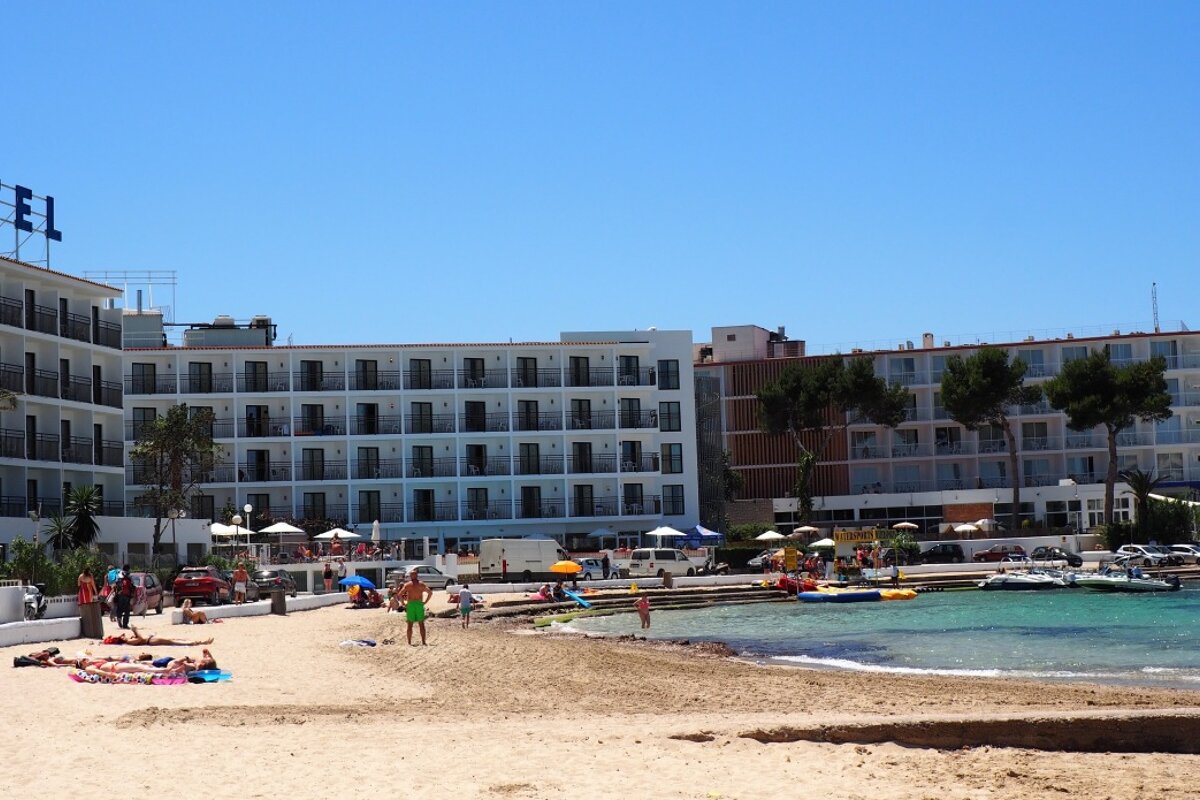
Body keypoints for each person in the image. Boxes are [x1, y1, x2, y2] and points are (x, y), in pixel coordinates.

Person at [398, 569, 433, 646]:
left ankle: (409, 642)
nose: (411, 576)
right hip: (419, 604)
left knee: (410, 624)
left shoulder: (408, 585)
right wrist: (425, 602)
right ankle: (423, 642)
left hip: (410, 604)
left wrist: (403, 603)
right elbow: (430, 593)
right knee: (421, 623)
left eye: (411, 575)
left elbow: (399, 594)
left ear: (412, 576)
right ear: (416, 575)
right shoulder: (421, 584)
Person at [102, 625, 214, 646]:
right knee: (173, 642)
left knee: (174, 639)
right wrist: (135, 631)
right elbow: (140, 639)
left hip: (151, 639)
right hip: (150, 641)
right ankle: (199, 643)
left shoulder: (128, 640)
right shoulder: (129, 642)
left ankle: (198, 641)